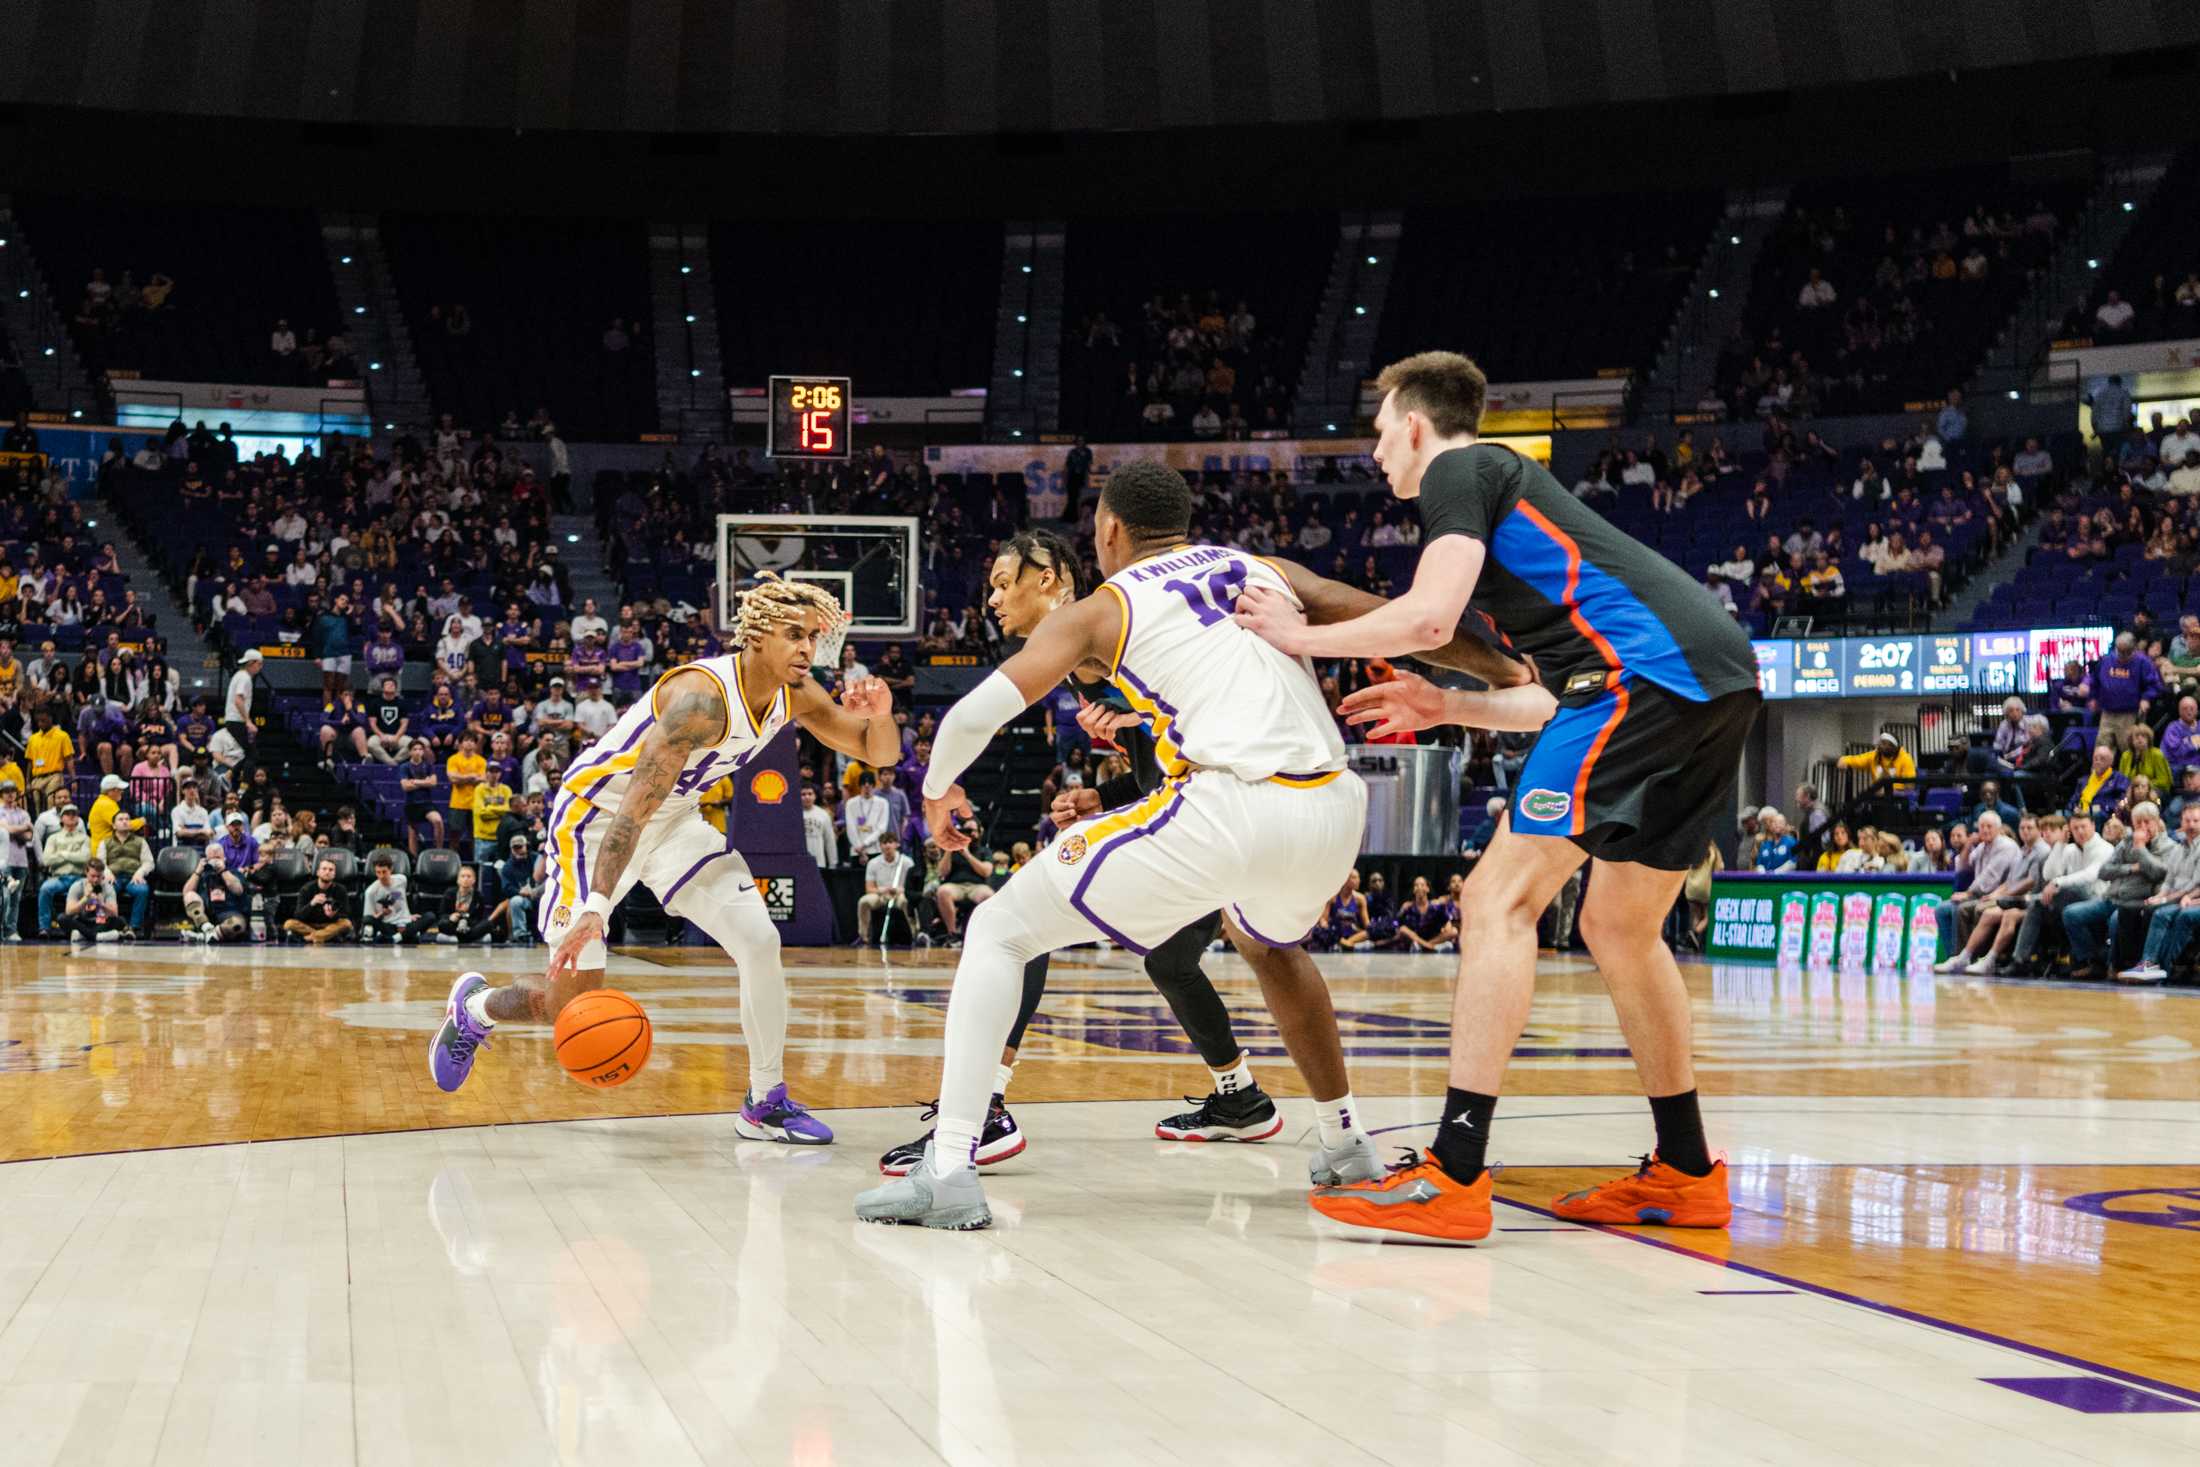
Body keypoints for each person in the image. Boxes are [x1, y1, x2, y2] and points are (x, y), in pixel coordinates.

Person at [1232, 350, 1761, 1243]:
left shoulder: (1460, 469)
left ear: (1412, 424)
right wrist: (1450, 704)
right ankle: (1686, 1169)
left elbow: (1430, 620)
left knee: (1494, 899)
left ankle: (1454, 1169)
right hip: (1712, 678)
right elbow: (1556, 696)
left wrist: (1297, 634)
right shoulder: (1522, 520)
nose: (1375, 455)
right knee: (1619, 928)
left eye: (1377, 434)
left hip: (1647, 680)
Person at [856, 461, 1448, 1229]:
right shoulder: (1257, 567)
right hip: (1332, 806)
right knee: (1273, 948)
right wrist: (1504, 681)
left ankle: (950, 1167)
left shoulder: (1106, 605)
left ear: (1106, 532)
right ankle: (1347, 1144)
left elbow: (972, 717)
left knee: (1001, 929)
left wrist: (938, 790)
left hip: (1230, 804)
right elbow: (1416, 621)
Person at [431, 573, 904, 1151]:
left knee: (759, 940)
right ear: (755, 636)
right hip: (596, 819)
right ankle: (476, 1009)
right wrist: (598, 907)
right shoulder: (701, 700)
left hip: (675, 819)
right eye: (792, 634)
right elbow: (630, 812)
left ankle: (764, 1101)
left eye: (812, 636)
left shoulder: (796, 692)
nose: (807, 648)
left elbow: (877, 752)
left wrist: (880, 714)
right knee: (571, 1006)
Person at [2116, 801, 2200, 982]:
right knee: (2141, 908)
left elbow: (2193, 885)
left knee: (2159, 912)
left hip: (2188, 897)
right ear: (2181, 822)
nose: (2191, 825)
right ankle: (2143, 963)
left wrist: (2165, 899)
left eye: (2196, 821)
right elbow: (2169, 880)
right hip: (2177, 896)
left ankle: (2155, 964)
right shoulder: (2179, 848)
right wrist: (2160, 896)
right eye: (2188, 821)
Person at [37, 804, 91, 936]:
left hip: (79, 878)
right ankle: (44, 927)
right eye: (68, 814)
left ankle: (83, 927)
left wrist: (62, 854)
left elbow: (85, 858)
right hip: (58, 878)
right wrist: (73, 855)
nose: (71, 816)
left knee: (90, 892)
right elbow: (47, 860)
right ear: (61, 819)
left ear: (78, 819)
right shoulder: (53, 838)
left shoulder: (85, 838)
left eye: (74, 814)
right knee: (45, 889)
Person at [181, 846, 249, 942]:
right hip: (206, 916)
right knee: (190, 896)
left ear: (224, 858)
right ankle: (208, 930)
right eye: (212, 858)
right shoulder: (203, 873)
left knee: (237, 926)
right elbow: (186, 893)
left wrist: (223, 871)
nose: (215, 861)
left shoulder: (233, 872)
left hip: (230, 914)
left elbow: (238, 890)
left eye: (218, 858)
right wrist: (197, 871)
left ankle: (203, 936)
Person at [856, 832, 914, 943]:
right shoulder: (873, 863)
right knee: (863, 902)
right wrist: (882, 890)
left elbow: (912, 887)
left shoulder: (907, 862)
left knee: (906, 901)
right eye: (884, 843)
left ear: (897, 844)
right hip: (881, 894)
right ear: (880, 846)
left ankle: (914, 934)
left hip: (900, 894)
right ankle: (864, 936)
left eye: (890, 842)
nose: (887, 846)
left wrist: (900, 890)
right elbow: (869, 889)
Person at [282, 857, 356, 944]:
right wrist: (312, 903)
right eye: (324, 869)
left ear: (334, 874)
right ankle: (327, 937)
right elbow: (298, 915)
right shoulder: (306, 889)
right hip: (309, 924)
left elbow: (346, 914)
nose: (327, 872)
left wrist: (333, 915)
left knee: (346, 923)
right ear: (318, 872)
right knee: (288, 924)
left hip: (330, 925)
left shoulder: (340, 889)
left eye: (331, 870)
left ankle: (308, 938)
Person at [359, 854, 429, 944]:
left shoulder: (402, 879)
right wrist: (382, 913)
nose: (381, 876)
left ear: (391, 869)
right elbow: (369, 918)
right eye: (378, 872)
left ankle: (397, 938)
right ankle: (406, 936)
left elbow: (401, 900)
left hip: (406, 923)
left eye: (384, 872)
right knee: (367, 919)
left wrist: (409, 916)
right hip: (388, 925)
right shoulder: (371, 891)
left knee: (430, 916)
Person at [59, 855, 128, 946]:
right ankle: (98, 937)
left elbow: (115, 913)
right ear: (86, 873)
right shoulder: (77, 886)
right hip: (82, 922)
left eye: (98, 876)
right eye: (93, 876)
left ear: (103, 874)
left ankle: (83, 936)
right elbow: (69, 911)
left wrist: (102, 903)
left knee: (120, 921)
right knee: (62, 918)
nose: (95, 880)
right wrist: (85, 899)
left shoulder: (108, 888)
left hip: (100, 922)